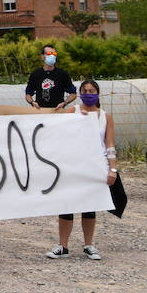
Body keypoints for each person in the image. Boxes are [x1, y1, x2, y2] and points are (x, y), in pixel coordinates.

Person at [48, 80, 118, 261]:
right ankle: (63, 246)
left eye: (91, 90)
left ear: (97, 93)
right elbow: (58, 133)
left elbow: (109, 144)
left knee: (89, 207)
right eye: (85, 90)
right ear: (80, 93)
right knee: (67, 205)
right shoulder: (73, 112)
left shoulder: (105, 116)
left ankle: (89, 245)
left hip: (94, 167)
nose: (88, 93)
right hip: (72, 165)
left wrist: (113, 169)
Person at [26, 45, 77, 109]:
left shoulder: (62, 74)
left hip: (57, 111)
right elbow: (28, 94)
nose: (52, 56)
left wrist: (64, 103)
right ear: (42, 56)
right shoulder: (35, 74)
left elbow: (73, 93)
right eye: (49, 53)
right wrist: (32, 102)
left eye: (54, 54)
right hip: (40, 111)